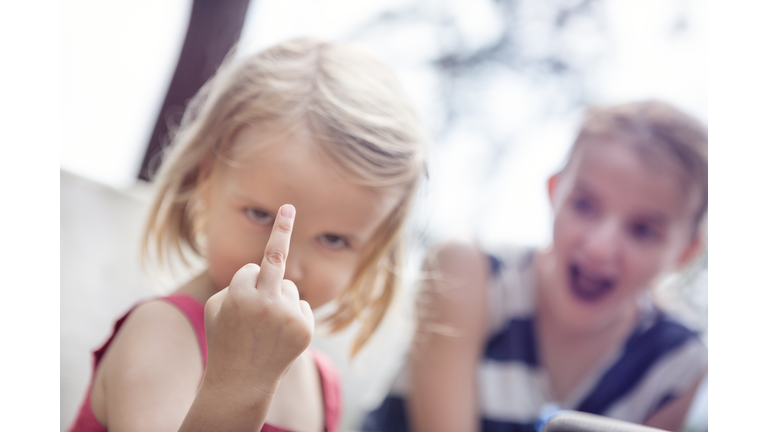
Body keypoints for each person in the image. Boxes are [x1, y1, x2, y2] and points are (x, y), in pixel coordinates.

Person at [67, 37, 427, 432]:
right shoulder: (162, 333)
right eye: (260, 215)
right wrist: (243, 379)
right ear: (206, 180)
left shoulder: (322, 385)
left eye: (334, 240)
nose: (286, 264)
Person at [362, 100, 708, 432]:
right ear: (554, 192)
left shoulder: (677, 361)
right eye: (584, 205)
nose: (600, 247)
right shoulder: (469, 274)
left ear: (686, 251)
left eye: (643, 230)